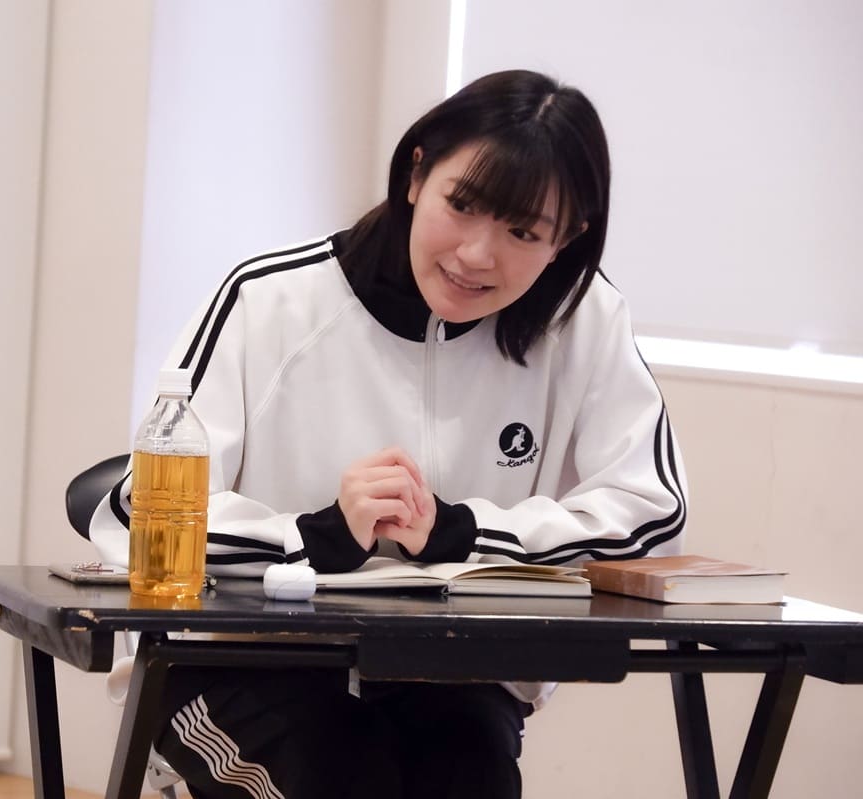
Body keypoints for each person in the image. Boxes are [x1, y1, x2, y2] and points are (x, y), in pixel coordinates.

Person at [90, 69, 687, 799]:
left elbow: (651, 514)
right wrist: (315, 537)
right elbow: (141, 514)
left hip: (453, 671)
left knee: (470, 780)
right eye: (462, 204)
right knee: (342, 779)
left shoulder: (584, 323)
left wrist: (463, 533)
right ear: (416, 173)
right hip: (237, 663)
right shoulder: (271, 300)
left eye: (523, 231)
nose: (477, 254)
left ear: (569, 237)